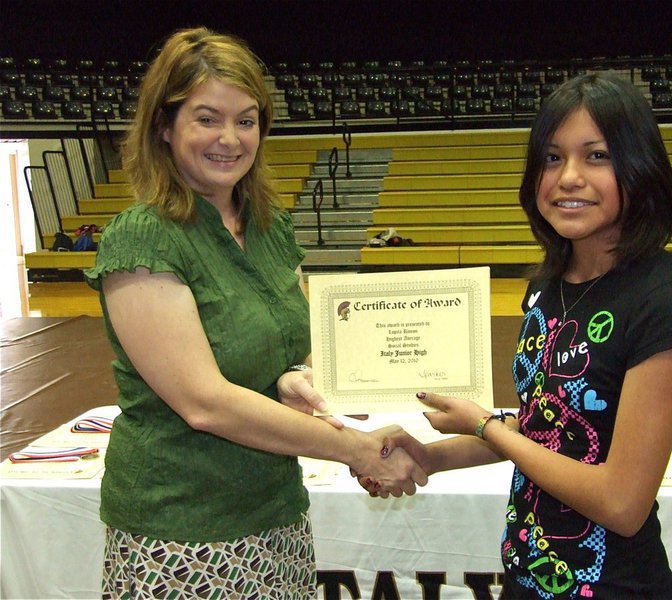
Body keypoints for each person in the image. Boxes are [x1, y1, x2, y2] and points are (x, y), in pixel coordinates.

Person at [84, 27, 426, 599]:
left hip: (276, 510)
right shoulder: (142, 239)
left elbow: (291, 347)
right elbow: (203, 403)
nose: (230, 138)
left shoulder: (271, 226)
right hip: (180, 532)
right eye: (207, 118)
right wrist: (357, 449)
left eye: (246, 120)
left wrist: (295, 376)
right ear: (164, 127)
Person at [370, 73, 672, 599]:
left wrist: (485, 425)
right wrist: (432, 455)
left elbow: (622, 504)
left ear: (639, 167)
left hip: (615, 586)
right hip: (527, 576)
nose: (569, 177)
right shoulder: (548, 286)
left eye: (596, 156)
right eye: (552, 158)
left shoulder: (663, 301)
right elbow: (545, 428)